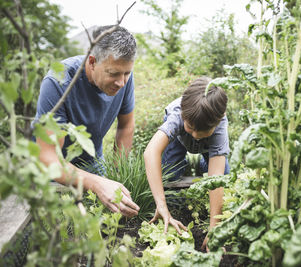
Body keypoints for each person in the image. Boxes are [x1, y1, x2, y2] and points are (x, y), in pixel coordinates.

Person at [33, 25, 140, 217]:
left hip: (92, 161)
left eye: (126, 73)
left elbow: (125, 126)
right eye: (113, 73)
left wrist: (116, 177)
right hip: (53, 168)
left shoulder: (124, 78)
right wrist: (97, 183)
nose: (121, 82)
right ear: (92, 62)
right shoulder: (58, 82)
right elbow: (49, 159)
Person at [144, 77, 230, 249]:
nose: (196, 135)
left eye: (203, 131)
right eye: (191, 127)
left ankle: (203, 163)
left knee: (224, 178)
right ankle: (182, 164)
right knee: (169, 174)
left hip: (208, 147)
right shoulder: (177, 114)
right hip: (179, 140)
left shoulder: (219, 125)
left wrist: (214, 228)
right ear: (183, 114)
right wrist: (162, 205)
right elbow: (151, 152)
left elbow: (217, 179)